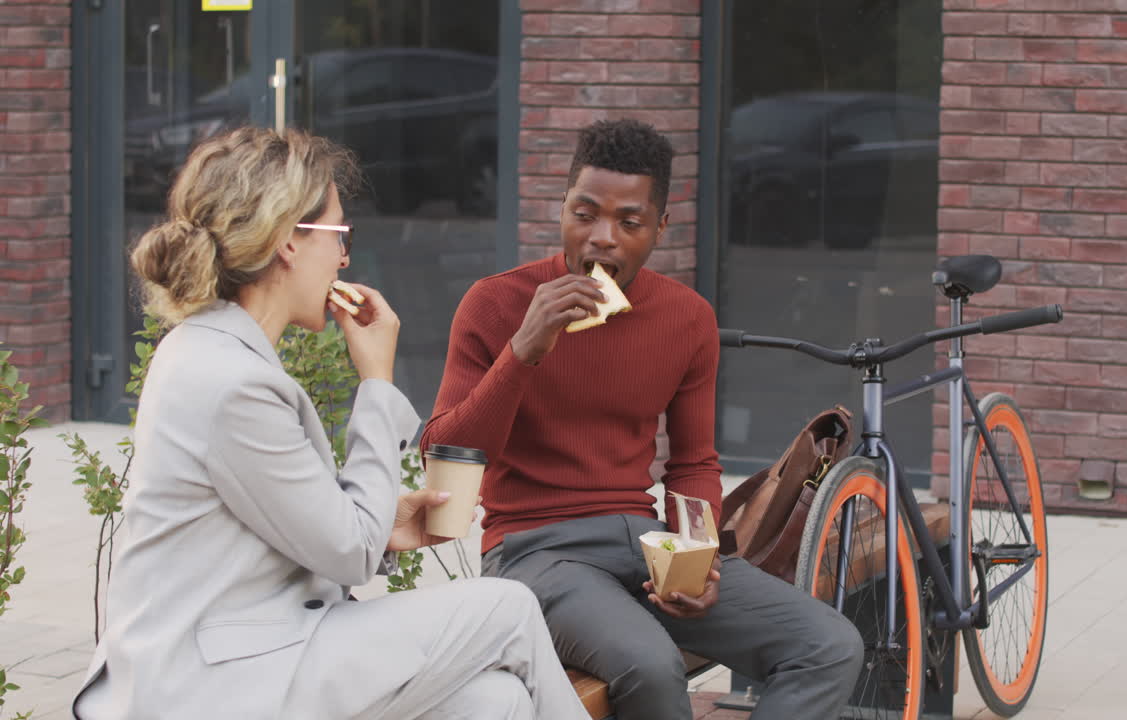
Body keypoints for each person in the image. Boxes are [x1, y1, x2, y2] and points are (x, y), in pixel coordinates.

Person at [72, 127, 590, 720]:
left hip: (244, 657)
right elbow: (347, 552)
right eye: (339, 234)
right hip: (212, 685)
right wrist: (375, 382)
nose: (345, 257)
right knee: (509, 610)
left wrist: (385, 521)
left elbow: (285, 518)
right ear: (290, 240)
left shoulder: (208, 350)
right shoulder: (232, 381)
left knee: (491, 702)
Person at [422, 118, 863, 720]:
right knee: (650, 664)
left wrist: (699, 556)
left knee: (829, 646)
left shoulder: (686, 318)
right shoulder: (496, 305)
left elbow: (694, 462)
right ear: (562, 211)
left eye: (628, 222)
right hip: (535, 553)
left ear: (659, 228)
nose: (603, 238)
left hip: (645, 542)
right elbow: (445, 457)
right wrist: (523, 349)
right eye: (585, 214)